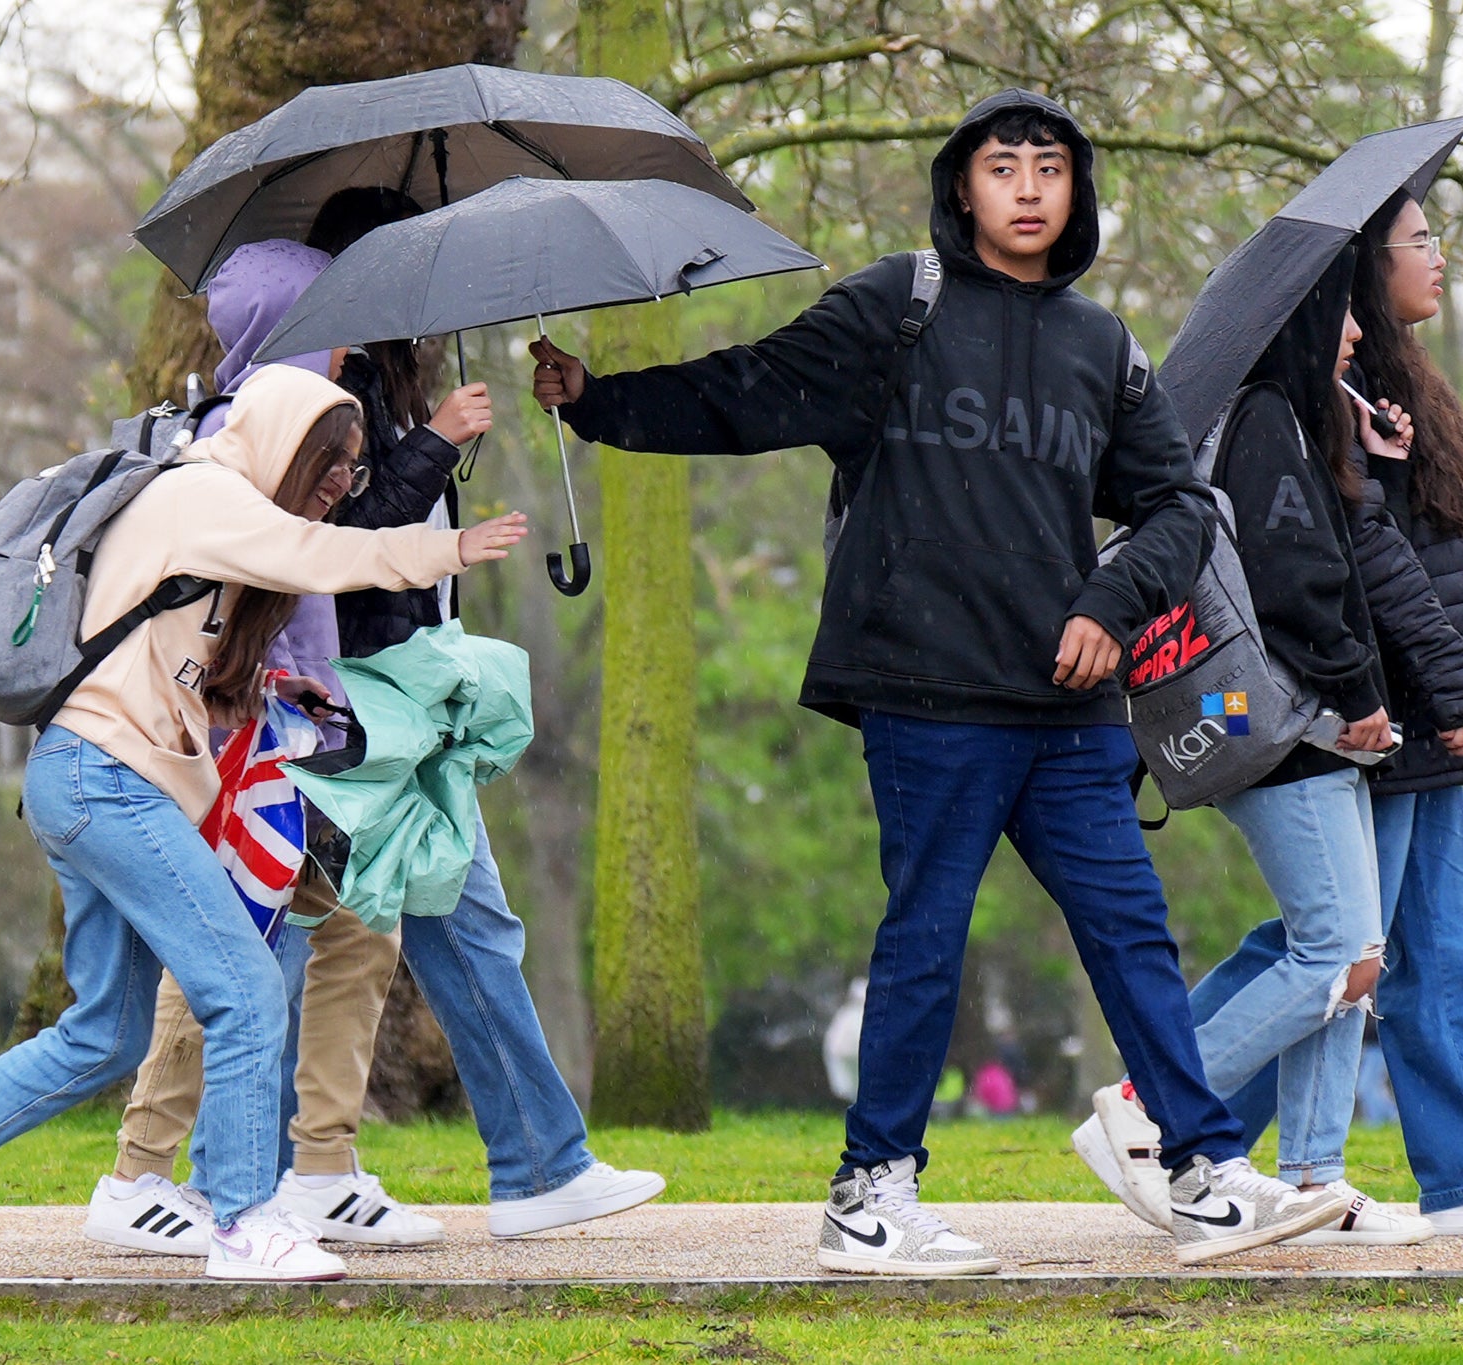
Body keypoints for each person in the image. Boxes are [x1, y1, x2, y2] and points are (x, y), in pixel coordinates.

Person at [530, 88, 1348, 1274]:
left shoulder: (1101, 345)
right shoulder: (894, 308)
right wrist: (598, 403)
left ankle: (1205, 1176)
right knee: (925, 939)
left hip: (1066, 711)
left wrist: (1106, 607)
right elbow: (744, 391)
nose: (1027, 186)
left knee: (1132, 935)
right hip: (923, 692)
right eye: (1002, 165)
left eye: (1050, 167)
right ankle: (869, 1196)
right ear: (961, 184)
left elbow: (1180, 505)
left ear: (1077, 192)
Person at [0, 363, 529, 1282]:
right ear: (284, 442)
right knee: (244, 988)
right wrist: (447, 548)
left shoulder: (213, 523)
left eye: (351, 471)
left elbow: (189, 673)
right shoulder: (204, 492)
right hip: (102, 781)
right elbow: (319, 559)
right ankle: (245, 1222)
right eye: (330, 463)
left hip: (91, 781)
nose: (337, 484)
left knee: (104, 1033)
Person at [87, 224, 660, 1263]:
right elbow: (327, 557)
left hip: (344, 720)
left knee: (363, 937)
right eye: (331, 316)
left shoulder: (323, 413)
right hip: (286, 727)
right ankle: (149, 1174)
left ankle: (326, 1166)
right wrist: (432, 449)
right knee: (248, 943)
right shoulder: (258, 428)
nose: (351, 336)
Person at [1179, 191, 1463, 1234]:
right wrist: (1439, 696)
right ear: (1358, 272)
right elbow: (1356, 564)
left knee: (1379, 942)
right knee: (1352, 946)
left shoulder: (1381, 391)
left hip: (1406, 705)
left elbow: (1404, 554)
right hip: (1381, 710)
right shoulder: (1324, 394)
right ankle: (1177, 1121)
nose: (1437, 257)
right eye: (1419, 242)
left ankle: (1453, 1175)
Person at [1085, 249, 1432, 1247]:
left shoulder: (1282, 423)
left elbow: (1338, 553)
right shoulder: (1263, 423)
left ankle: (1314, 1179)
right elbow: (1294, 577)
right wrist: (1359, 693)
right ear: (1298, 320)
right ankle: (1142, 1100)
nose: (1359, 332)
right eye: (1342, 315)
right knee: (1335, 951)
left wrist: (1372, 467)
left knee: (1343, 957)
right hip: (1285, 719)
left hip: (1287, 716)